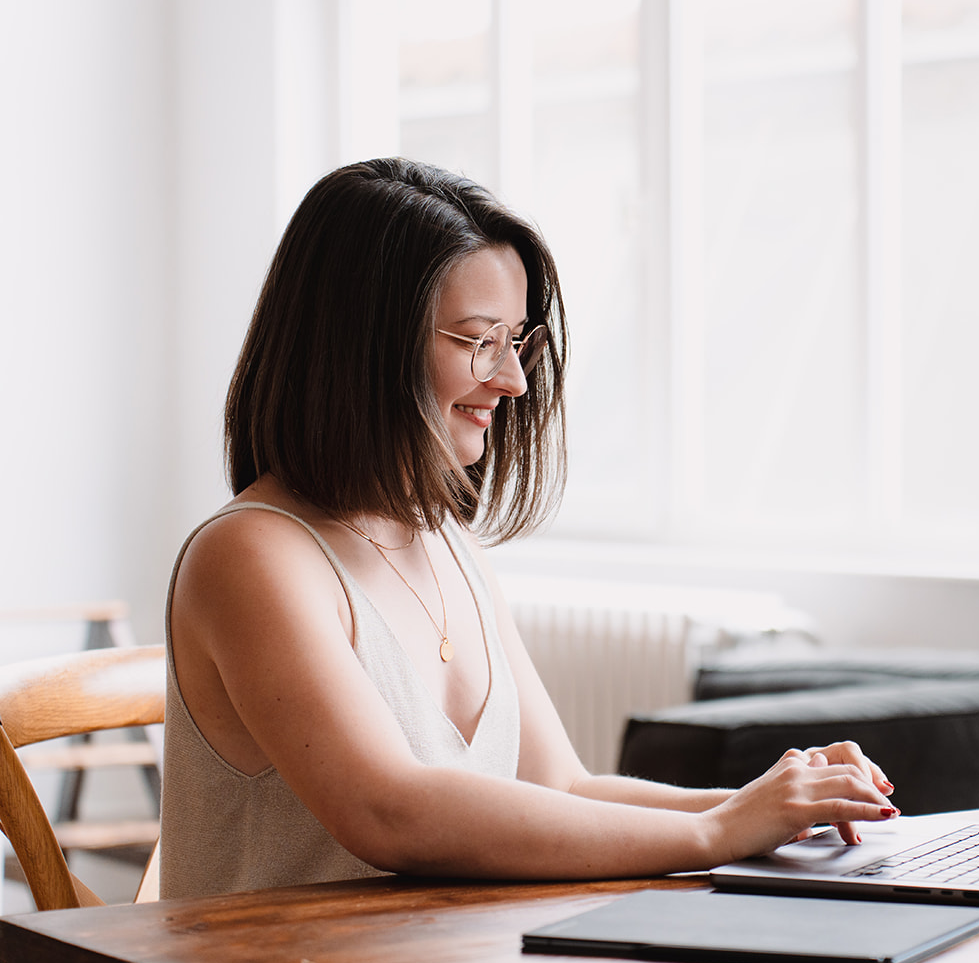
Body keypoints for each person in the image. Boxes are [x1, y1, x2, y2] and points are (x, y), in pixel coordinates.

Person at [160, 158, 896, 899]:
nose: (512, 379)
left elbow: (563, 790)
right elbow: (389, 812)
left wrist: (772, 806)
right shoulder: (249, 555)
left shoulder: (446, 541)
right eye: (480, 340)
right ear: (363, 346)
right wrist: (716, 833)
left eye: (518, 340)